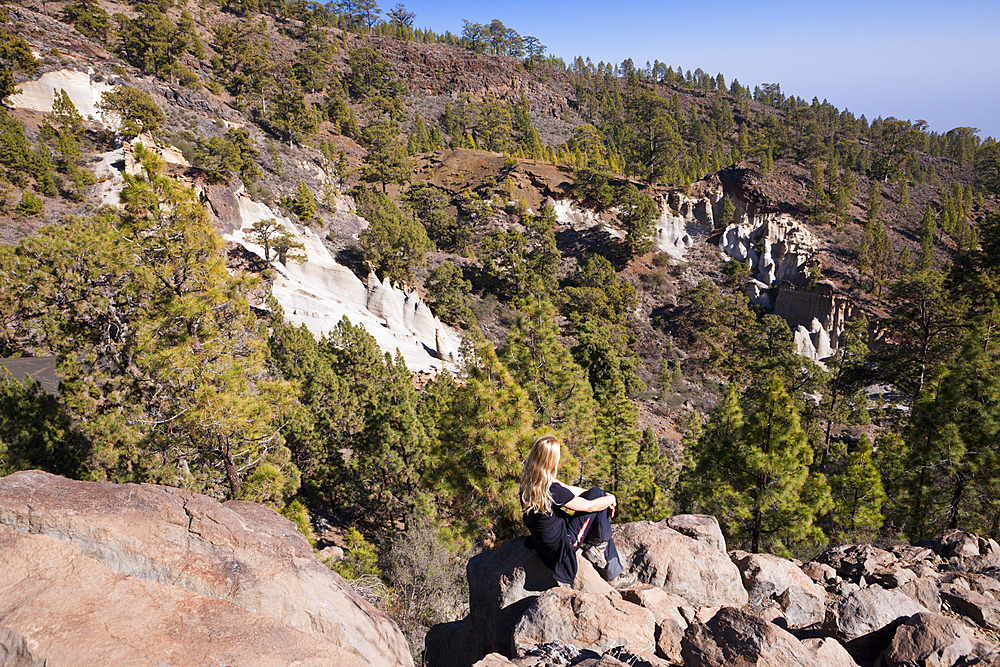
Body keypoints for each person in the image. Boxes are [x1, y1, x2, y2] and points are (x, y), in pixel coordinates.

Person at [520, 434, 636, 589]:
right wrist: (611, 499)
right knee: (598, 502)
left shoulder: (531, 483)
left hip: (544, 545)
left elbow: (569, 490)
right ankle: (611, 573)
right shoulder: (551, 490)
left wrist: (601, 495)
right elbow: (590, 507)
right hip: (563, 545)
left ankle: (600, 548)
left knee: (596, 494)